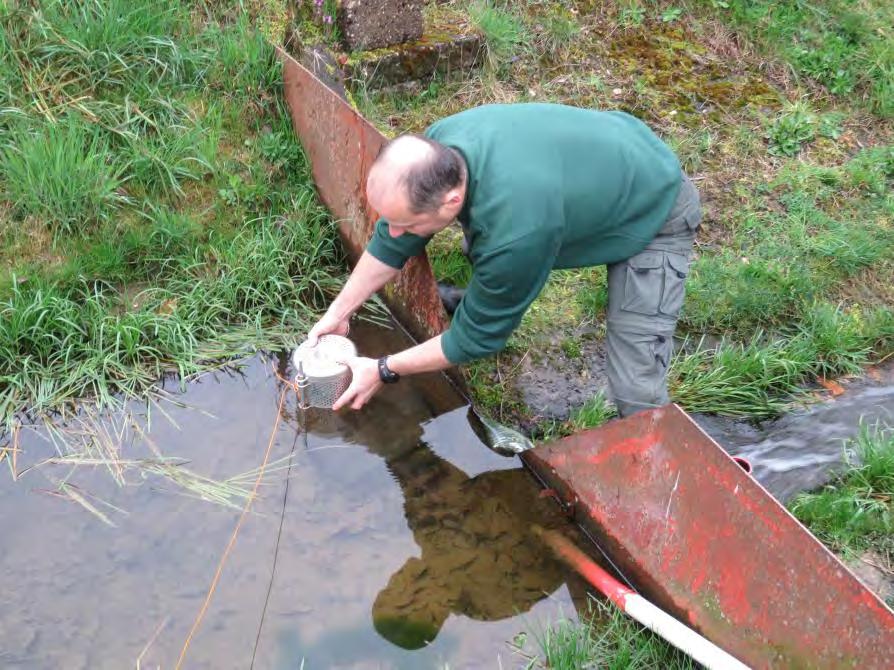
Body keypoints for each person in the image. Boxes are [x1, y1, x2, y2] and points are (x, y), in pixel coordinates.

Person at [307, 102, 701, 417]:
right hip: (602, 154)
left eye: (403, 223)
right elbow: (393, 243)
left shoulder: (517, 232)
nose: (392, 232)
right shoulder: (442, 147)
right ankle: (484, 297)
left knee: (636, 384)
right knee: (494, 254)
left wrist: (383, 368)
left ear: (452, 201)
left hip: (653, 204)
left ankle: (657, 472)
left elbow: (476, 341)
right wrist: (340, 311)